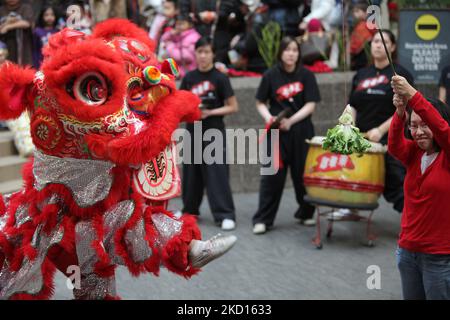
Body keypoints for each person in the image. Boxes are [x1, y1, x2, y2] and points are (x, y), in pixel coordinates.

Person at [331, 30, 414, 220]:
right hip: (362, 139)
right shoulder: (361, 74)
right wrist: (347, 124)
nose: (378, 44)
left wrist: (381, 130)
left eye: (383, 41)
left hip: (391, 138)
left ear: (392, 47)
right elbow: (352, 105)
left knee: (397, 182)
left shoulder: (401, 74)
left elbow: (407, 108)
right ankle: (350, 209)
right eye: (375, 41)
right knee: (354, 175)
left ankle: (415, 220)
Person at [389, 75, 450, 300]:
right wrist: (400, 113)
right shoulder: (415, 154)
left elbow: (441, 128)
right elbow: (394, 145)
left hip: (439, 256)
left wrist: (413, 94)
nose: (419, 131)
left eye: (425, 125)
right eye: (413, 126)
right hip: (407, 252)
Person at [252, 36, 321, 234]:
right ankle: (263, 219)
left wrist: (291, 121)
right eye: (287, 49)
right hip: (276, 134)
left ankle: (306, 213)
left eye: (294, 50)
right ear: (280, 52)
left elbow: (311, 104)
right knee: (271, 177)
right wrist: (270, 119)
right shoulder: (270, 75)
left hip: (301, 130)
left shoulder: (306, 75)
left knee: (303, 174)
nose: (291, 53)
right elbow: (259, 102)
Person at [180, 37, 238, 231]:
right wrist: (192, 112)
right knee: (191, 173)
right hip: (193, 131)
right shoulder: (188, 78)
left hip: (214, 131)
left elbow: (232, 107)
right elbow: (180, 106)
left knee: (217, 173)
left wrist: (210, 112)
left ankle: (225, 214)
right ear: (195, 54)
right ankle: (189, 210)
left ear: (213, 54)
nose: (203, 56)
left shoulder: (220, 78)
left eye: (206, 52)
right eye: (199, 52)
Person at [0, 0, 33, 66]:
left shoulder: (25, 8)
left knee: (24, 67)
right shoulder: (1, 10)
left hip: (23, 45)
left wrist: (8, 26)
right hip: (5, 44)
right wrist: (7, 21)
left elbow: (27, 23)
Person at [349, 1, 376, 71]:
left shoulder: (366, 25)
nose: (355, 14)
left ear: (366, 12)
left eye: (357, 11)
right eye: (354, 12)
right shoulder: (357, 25)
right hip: (358, 55)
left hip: (365, 54)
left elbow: (371, 37)